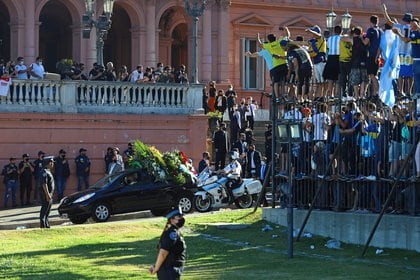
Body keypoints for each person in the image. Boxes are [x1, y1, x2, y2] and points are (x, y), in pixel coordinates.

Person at [150, 208, 186, 279]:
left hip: (171, 270)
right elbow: (163, 252)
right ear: (171, 219)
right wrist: (156, 268)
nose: (182, 218)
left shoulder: (173, 231)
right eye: (179, 217)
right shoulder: (171, 233)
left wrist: (156, 266)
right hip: (169, 270)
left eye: (181, 216)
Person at [40, 156, 55, 228]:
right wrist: (47, 194)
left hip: (50, 194)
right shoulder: (44, 172)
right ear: (48, 163)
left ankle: (46, 224)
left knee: (48, 210)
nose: (52, 164)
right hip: (46, 194)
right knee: (44, 209)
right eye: (51, 162)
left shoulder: (48, 171)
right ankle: (42, 225)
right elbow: (44, 184)